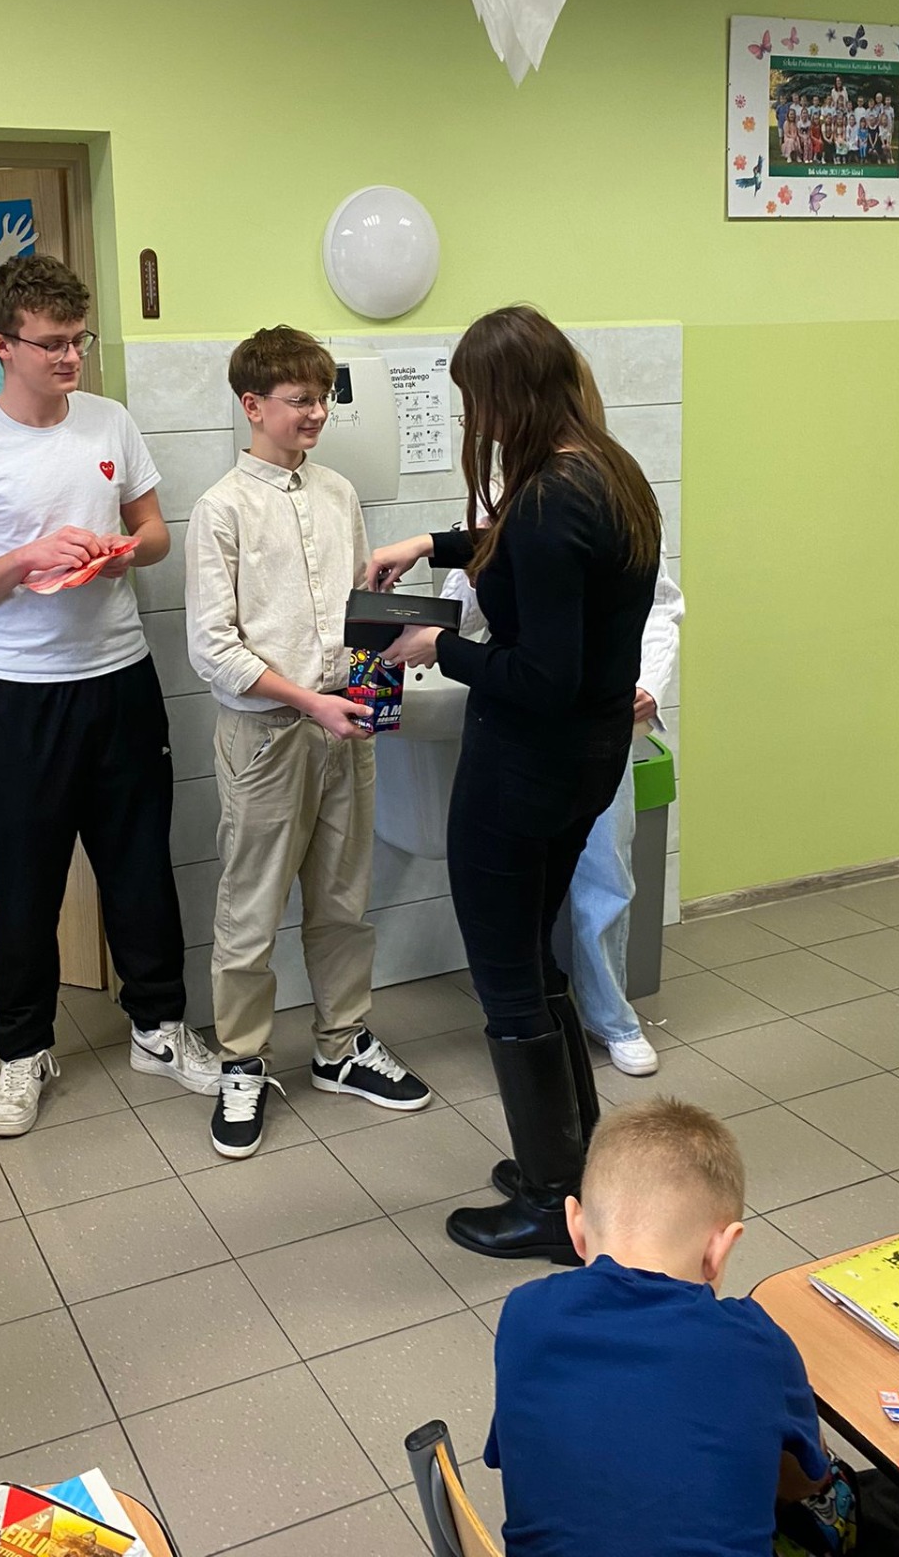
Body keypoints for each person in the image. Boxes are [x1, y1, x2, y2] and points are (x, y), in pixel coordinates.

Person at [371, 306, 658, 1261]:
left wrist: (437, 645)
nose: (475, 419)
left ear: (511, 395)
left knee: (507, 978)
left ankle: (548, 1205)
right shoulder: (605, 472)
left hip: (525, 769)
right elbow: (534, 565)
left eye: (478, 400)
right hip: (586, 762)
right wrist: (434, 545)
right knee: (536, 960)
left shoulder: (545, 501)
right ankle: (576, 1170)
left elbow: (542, 676)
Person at [0, 253, 217, 1137]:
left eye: (77, 339)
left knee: (140, 865)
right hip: (19, 697)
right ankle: (23, 1052)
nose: (70, 357)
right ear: (2, 345)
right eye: (51, 343)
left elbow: (155, 533)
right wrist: (24, 560)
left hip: (120, 680)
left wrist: (123, 553)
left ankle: (159, 1027)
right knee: (23, 883)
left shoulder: (110, 421)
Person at [185, 325, 431, 1159]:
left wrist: (380, 669)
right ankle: (242, 1062)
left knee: (342, 899)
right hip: (267, 735)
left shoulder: (337, 494)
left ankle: (341, 1044)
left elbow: (359, 616)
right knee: (250, 909)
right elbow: (213, 649)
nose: (317, 413)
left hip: (344, 728)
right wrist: (307, 702)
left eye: (323, 398)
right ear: (253, 405)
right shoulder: (222, 509)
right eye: (299, 400)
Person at [485, 1098, 834, 1557]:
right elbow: (810, 1480)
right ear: (722, 1247)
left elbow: (513, 1454)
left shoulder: (525, 1312)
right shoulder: (758, 1343)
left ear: (575, 1226)